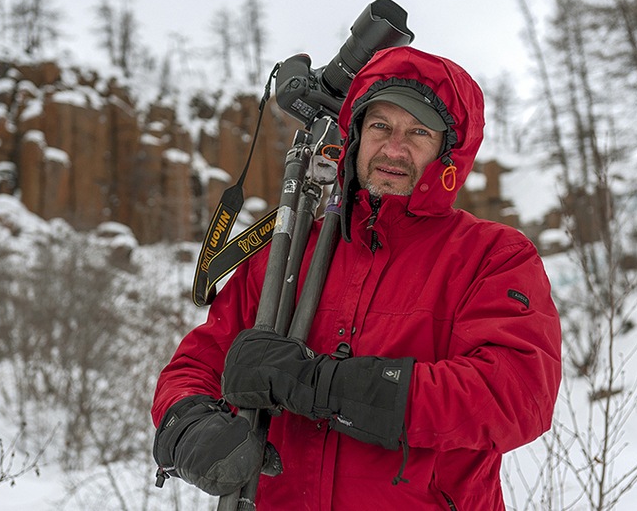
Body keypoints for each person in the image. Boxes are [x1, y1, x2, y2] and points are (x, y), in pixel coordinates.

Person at [151, 46, 562, 511]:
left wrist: (319, 384)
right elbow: (195, 365)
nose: (393, 148)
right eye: (380, 126)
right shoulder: (284, 257)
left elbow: (515, 395)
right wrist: (186, 425)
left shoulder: (491, 255)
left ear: (447, 153)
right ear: (357, 136)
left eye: (418, 132)